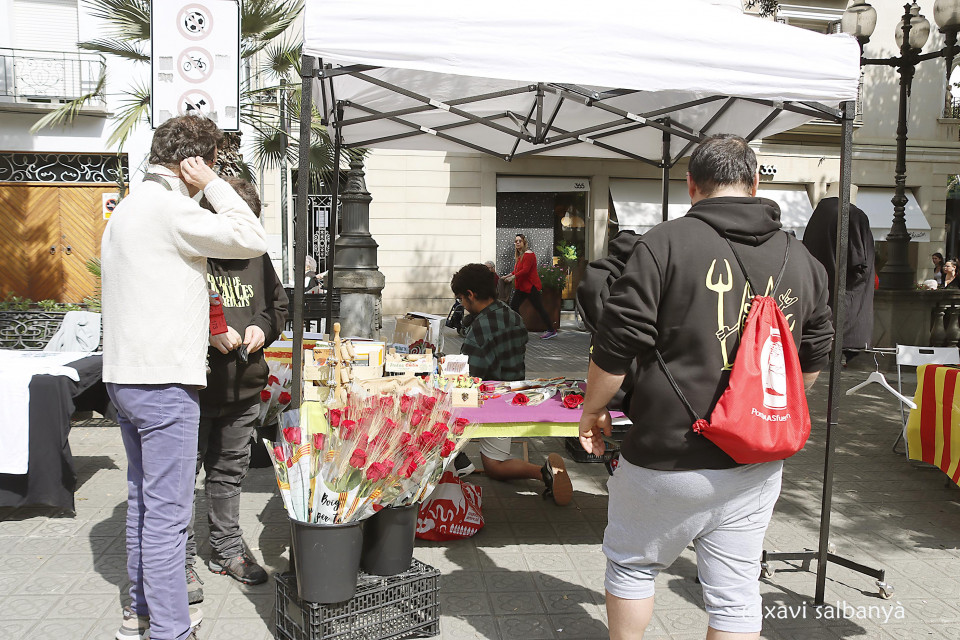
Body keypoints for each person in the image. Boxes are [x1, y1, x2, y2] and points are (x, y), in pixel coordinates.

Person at [578, 134, 833, 640]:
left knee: (632, 566)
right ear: (755, 183)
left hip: (668, 455)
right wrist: (770, 410)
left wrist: (592, 410)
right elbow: (814, 354)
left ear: (692, 185)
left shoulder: (665, 243)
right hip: (755, 461)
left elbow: (617, 340)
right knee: (736, 592)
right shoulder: (803, 259)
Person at [101, 115, 268, 640]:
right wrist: (213, 184)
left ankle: (140, 613)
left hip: (125, 378)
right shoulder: (171, 208)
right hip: (163, 384)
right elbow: (251, 236)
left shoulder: (129, 208)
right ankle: (171, 629)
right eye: (213, 162)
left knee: (144, 507)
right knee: (168, 519)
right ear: (195, 162)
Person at [184, 178, 289, 605]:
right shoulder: (190, 251)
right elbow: (168, 313)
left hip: (243, 390)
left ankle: (226, 551)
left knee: (229, 474)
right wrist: (209, 332)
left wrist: (262, 328)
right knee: (181, 480)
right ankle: (180, 560)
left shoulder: (255, 254)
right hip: (191, 390)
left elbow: (278, 306)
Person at [450, 263, 573, 505]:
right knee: (494, 466)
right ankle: (545, 472)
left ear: (471, 295)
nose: (461, 303)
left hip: (486, 402)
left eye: (461, 298)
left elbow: (469, 376)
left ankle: (455, 460)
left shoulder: (480, 329)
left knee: (436, 408)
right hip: (513, 397)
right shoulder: (513, 315)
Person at [802, 184, 875, 360]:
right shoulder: (851, 215)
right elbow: (859, 264)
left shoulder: (817, 216)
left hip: (820, 313)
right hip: (846, 319)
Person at [502, 234, 558, 339]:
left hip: (531, 287)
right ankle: (519, 328)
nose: (517, 243)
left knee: (539, 308)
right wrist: (507, 276)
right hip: (522, 287)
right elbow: (517, 270)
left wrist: (512, 277)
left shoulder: (529, 254)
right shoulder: (520, 256)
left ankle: (551, 330)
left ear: (524, 242)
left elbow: (525, 270)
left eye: (520, 241)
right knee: (514, 306)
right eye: (516, 241)